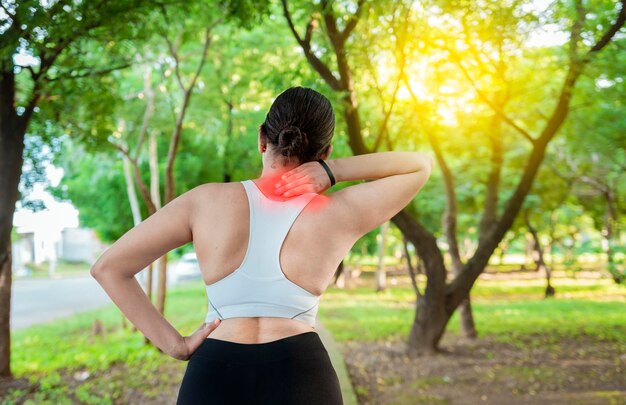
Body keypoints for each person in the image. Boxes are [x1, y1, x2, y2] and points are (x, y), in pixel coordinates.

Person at [90, 86, 434, 404]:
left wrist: (176, 346)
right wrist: (334, 171)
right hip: (302, 374)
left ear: (261, 139)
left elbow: (109, 268)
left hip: (214, 373)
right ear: (325, 151)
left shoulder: (205, 201)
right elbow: (420, 165)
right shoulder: (340, 212)